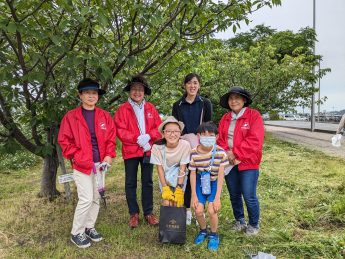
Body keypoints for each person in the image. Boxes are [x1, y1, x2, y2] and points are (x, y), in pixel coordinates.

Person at [58, 78, 116, 248]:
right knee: (86, 198)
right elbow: (64, 141)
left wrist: (108, 156)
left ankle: (89, 227)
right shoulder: (71, 117)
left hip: (100, 164)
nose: (91, 96)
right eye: (88, 93)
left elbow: (111, 139)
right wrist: (78, 157)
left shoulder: (104, 116)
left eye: (94, 93)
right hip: (82, 165)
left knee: (96, 197)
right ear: (80, 95)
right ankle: (76, 232)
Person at [114, 74, 162, 228]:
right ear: (129, 91)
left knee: (147, 181)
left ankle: (148, 212)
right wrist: (136, 138)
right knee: (130, 182)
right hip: (131, 151)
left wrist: (149, 136)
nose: (137, 92)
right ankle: (133, 213)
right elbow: (120, 130)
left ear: (144, 92)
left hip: (148, 150)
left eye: (140, 90)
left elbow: (159, 128)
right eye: (134, 89)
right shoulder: (122, 109)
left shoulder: (151, 108)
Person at [217, 86, 264, 236]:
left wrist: (235, 153)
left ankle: (254, 224)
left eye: (237, 98)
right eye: (231, 98)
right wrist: (227, 153)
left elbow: (255, 141)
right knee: (234, 193)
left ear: (244, 100)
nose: (233, 101)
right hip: (229, 162)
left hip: (248, 162)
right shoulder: (225, 118)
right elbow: (220, 139)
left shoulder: (253, 116)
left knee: (249, 194)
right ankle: (239, 220)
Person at [172, 73, 213, 224]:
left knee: (202, 177)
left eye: (195, 83)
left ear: (199, 85)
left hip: (201, 145)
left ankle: (199, 209)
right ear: (184, 85)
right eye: (189, 83)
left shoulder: (205, 103)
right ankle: (187, 210)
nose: (192, 86)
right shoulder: (178, 105)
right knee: (186, 178)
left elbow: (208, 126)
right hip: (184, 146)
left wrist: (203, 143)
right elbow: (176, 128)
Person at [189, 122, 229, 251]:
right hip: (201, 183)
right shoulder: (193, 153)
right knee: (198, 210)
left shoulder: (221, 153)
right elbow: (193, 174)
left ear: (216, 136)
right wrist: (194, 195)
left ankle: (214, 234)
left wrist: (217, 197)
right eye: (203, 135)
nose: (207, 138)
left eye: (211, 135)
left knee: (212, 211)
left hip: (214, 183)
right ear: (198, 136)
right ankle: (203, 230)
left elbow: (221, 176)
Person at [150, 116, 191, 207]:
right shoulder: (157, 147)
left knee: (177, 202)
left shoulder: (185, 145)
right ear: (163, 134)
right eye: (168, 131)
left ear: (180, 133)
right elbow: (159, 169)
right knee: (167, 202)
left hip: (179, 176)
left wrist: (179, 187)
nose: (172, 134)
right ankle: (167, 220)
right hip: (165, 176)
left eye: (176, 131)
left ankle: (178, 220)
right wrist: (165, 187)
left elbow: (183, 167)